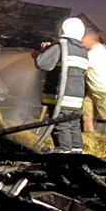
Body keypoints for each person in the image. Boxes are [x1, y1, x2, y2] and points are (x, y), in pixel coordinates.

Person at [34, 18, 90, 152]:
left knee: (60, 126)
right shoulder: (82, 50)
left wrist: (44, 51)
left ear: (63, 30)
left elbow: (42, 64)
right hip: (76, 97)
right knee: (73, 125)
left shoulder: (60, 46)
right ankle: (77, 153)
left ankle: (64, 154)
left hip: (62, 96)